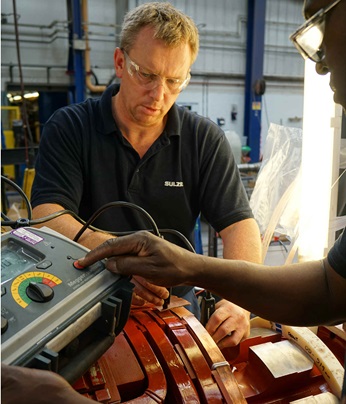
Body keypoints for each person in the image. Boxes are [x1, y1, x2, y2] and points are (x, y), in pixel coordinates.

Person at [30, 1, 262, 347]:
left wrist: (240, 299)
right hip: (87, 304)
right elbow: (48, 216)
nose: (159, 95)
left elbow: (240, 224)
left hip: (174, 309)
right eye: (147, 75)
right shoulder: (71, 127)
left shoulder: (203, 140)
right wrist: (121, 261)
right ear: (120, 63)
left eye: (174, 81)